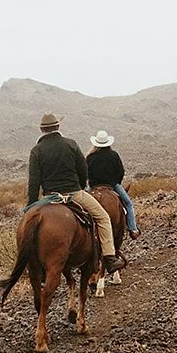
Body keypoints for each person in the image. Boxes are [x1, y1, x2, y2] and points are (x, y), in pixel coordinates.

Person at [27, 113, 125, 273]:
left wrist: (31, 205)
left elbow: (34, 182)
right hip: (74, 193)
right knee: (103, 217)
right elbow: (83, 169)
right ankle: (109, 258)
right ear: (58, 127)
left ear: (42, 130)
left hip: (49, 197)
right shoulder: (71, 144)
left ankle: (32, 265)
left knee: (27, 225)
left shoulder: (36, 150)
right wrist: (79, 186)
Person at [86, 129, 139, 238]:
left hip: (93, 187)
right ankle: (133, 229)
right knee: (128, 204)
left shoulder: (90, 157)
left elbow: (86, 173)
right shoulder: (114, 155)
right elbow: (120, 172)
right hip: (112, 185)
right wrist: (116, 183)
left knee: (81, 205)